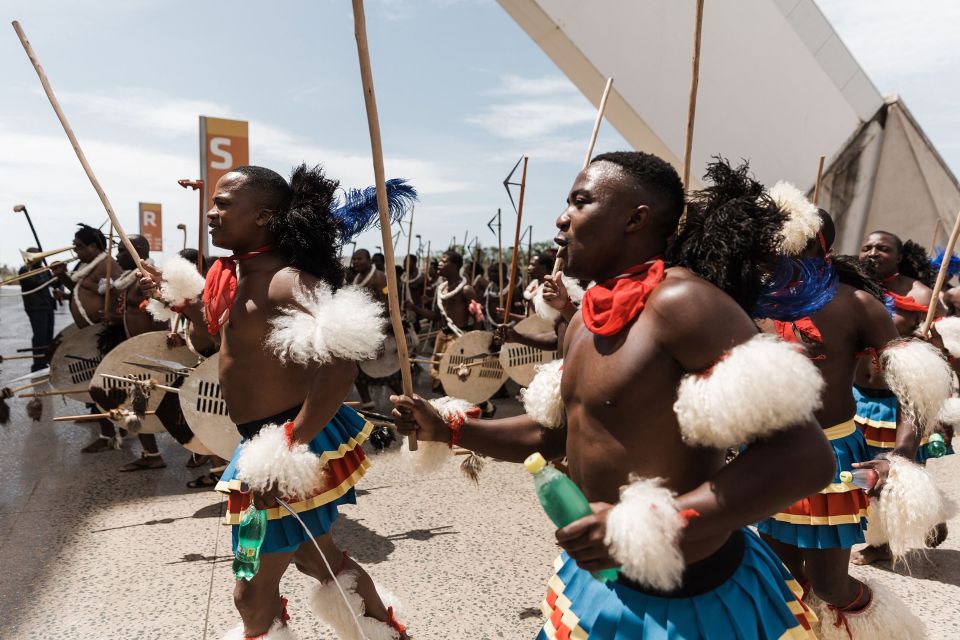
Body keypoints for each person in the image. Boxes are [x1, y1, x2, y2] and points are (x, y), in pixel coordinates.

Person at [393, 153, 835, 639]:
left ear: (635, 219)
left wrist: (648, 525)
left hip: (692, 602)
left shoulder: (684, 304)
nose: (562, 217)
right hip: (603, 583)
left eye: (580, 202)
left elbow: (806, 457)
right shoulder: (581, 320)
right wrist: (451, 428)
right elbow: (556, 434)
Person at [140, 164, 408, 639]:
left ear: (263, 216)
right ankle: (387, 633)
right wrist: (182, 306)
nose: (211, 212)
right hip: (264, 443)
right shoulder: (232, 277)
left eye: (223, 204)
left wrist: (288, 445)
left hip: (285, 447)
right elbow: (214, 348)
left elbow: (342, 359)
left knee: (251, 591)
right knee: (317, 556)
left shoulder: (285, 281)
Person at [753, 202, 927, 636]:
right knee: (781, 579)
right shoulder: (756, 301)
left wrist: (901, 453)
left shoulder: (859, 305)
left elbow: (916, 387)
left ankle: (892, 632)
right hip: (774, 453)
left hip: (832, 455)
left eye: (779, 235)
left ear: (811, 243)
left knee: (831, 585)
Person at [853, 230, 952, 564]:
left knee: (894, 469)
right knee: (856, 471)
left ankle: (881, 543)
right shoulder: (851, 288)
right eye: (867, 247)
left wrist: (931, 338)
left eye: (883, 248)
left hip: (898, 401)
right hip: (856, 396)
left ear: (899, 256)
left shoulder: (921, 295)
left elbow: (941, 358)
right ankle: (894, 523)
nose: (872, 253)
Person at [405, 250, 479, 392]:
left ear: (456, 266)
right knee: (437, 378)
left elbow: (477, 317)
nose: (439, 264)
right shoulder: (442, 289)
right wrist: (414, 308)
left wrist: (474, 342)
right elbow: (436, 316)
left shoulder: (466, 289)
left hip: (458, 338)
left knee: (453, 378)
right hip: (442, 336)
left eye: (444, 261)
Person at [351, 249, 403, 409]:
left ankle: (405, 402)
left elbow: (388, 305)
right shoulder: (357, 278)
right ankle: (368, 403)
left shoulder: (380, 278)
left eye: (360, 259)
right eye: (354, 259)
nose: (356, 262)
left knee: (391, 376)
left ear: (369, 260)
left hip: (381, 330)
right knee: (358, 373)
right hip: (365, 331)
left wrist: (379, 333)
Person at [52, 224, 115, 328]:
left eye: (79, 246)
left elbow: (117, 296)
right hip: (89, 330)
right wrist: (61, 275)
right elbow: (78, 289)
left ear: (93, 247)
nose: (75, 250)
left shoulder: (105, 264)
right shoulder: (85, 264)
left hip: (102, 330)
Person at [17, 249, 56, 371]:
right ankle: (38, 364)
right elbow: (34, 283)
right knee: (40, 336)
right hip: (36, 307)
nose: (41, 258)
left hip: (48, 306)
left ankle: (46, 360)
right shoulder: (25, 270)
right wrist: (52, 278)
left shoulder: (44, 269)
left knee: (48, 336)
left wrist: (58, 276)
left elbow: (54, 284)